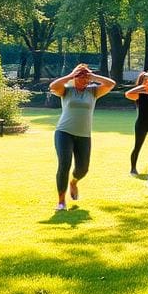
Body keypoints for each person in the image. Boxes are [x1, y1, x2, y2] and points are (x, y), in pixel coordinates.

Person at [48, 63, 116, 211]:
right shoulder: (67, 90)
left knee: (83, 169)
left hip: (84, 135)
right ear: (75, 77)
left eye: (86, 77)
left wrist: (93, 76)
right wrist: (71, 75)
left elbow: (111, 84)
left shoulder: (93, 91)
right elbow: (53, 86)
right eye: (81, 77)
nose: (84, 80)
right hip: (64, 133)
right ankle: (61, 202)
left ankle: (74, 182)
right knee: (64, 164)